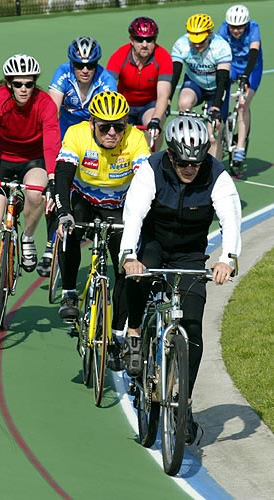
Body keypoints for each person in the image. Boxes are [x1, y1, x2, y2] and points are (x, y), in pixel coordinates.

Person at [119, 116, 241, 444]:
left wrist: (226, 259)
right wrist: (130, 255)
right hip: (154, 244)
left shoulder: (217, 176)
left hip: (190, 254)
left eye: (197, 162)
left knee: (194, 326)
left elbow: (230, 219)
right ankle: (133, 333)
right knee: (137, 276)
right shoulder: (150, 170)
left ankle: (183, 404)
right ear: (171, 155)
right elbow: (133, 215)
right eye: (184, 162)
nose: (190, 169)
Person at [0, 54, 61, 317]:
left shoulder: (44, 103)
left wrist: (52, 177)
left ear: (34, 84)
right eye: (18, 84)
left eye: (29, 84)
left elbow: (52, 139)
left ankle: (28, 236)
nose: (23, 89)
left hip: (34, 159)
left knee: (35, 194)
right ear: (8, 83)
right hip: (0, 160)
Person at [54, 91, 150, 345]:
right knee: (68, 228)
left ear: (126, 124)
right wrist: (64, 212)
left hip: (120, 205)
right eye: (104, 126)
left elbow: (147, 183)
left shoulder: (136, 139)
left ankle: (118, 333)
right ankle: (69, 292)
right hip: (84, 199)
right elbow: (63, 175)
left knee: (125, 265)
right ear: (92, 124)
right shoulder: (76, 134)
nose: (111, 133)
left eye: (118, 126)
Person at [36, 36, 117, 277]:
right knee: (55, 187)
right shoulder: (62, 74)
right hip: (65, 135)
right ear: (71, 64)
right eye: (79, 65)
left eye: (90, 65)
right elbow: (51, 114)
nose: (85, 70)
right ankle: (51, 244)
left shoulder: (106, 80)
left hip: (93, 136)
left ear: (97, 65)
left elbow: (109, 119)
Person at [170, 13, 232, 160]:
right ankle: (182, 150)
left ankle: (213, 172)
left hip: (217, 87)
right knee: (184, 103)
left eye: (201, 41)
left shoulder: (221, 47)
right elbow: (174, 75)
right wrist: (166, 99)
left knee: (213, 132)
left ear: (209, 35)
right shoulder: (181, 45)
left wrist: (216, 107)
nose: (197, 45)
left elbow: (222, 81)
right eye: (194, 41)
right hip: (195, 82)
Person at [106, 17, 173, 151]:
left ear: (155, 40)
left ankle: (152, 163)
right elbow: (108, 89)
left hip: (149, 104)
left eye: (149, 40)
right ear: (131, 40)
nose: (144, 44)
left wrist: (155, 121)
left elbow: (163, 94)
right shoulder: (119, 55)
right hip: (124, 103)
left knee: (153, 131)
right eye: (139, 39)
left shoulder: (163, 57)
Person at [218, 5, 263, 175]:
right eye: (233, 27)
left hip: (252, 68)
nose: (236, 31)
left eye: (240, 27)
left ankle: (240, 148)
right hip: (232, 65)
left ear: (246, 24)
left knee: (243, 104)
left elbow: (253, 52)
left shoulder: (254, 28)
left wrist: (246, 75)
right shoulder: (223, 29)